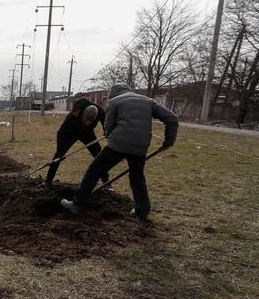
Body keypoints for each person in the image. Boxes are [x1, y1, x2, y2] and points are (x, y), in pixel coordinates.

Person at [61, 83, 178, 221]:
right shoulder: (148, 101)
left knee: (95, 169)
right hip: (141, 145)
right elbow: (172, 118)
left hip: (119, 143)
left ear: (113, 94)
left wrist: (112, 138)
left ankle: (77, 204)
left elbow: (108, 128)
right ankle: (142, 212)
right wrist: (168, 141)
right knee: (137, 177)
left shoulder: (114, 101)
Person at [43, 99, 109, 189]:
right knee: (59, 155)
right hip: (70, 131)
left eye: (90, 121)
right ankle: (48, 180)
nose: (87, 123)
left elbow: (106, 124)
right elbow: (61, 134)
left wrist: (107, 131)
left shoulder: (100, 112)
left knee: (99, 155)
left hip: (87, 133)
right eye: (85, 120)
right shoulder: (78, 108)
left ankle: (107, 182)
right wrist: (61, 148)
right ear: (82, 113)